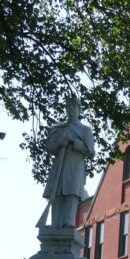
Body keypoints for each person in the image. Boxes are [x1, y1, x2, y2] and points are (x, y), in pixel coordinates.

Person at [41, 96, 95, 228]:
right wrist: (60, 142)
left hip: (75, 166)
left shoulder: (85, 130)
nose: (71, 110)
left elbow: (90, 151)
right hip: (60, 165)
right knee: (57, 193)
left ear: (79, 109)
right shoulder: (58, 128)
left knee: (72, 192)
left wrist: (74, 141)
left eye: (74, 107)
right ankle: (55, 222)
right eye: (68, 107)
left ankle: (68, 222)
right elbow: (49, 147)